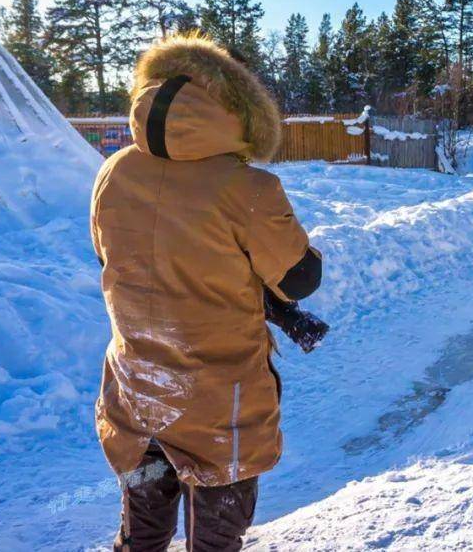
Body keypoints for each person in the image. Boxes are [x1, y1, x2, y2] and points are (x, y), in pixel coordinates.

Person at [90, 33, 323, 551]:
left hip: (137, 383)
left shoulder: (115, 170)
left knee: (142, 527)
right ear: (236, 112)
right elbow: (298, 278)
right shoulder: (248, 188)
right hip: (219, 395)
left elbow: (108, 255)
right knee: (215, 534)